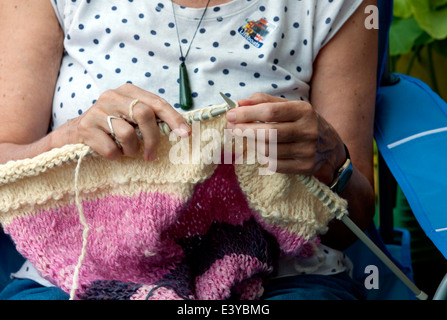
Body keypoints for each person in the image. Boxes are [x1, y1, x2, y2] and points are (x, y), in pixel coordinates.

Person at [0, 0, 378, 300]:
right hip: (77, 276)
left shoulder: (336, 5)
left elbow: (354, 222)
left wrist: (331, 159)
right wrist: (64, 141)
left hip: (282, 281)